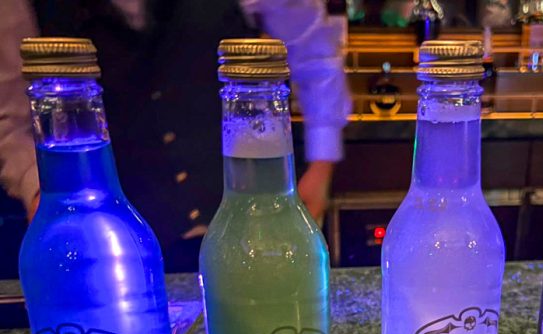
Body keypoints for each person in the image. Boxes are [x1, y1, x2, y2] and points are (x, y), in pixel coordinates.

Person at [0, 0, 351, 269]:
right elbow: (10, 110)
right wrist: (42, 193)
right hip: (109, 237)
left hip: (241, 218)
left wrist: (321, 165)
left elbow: (313, 52)